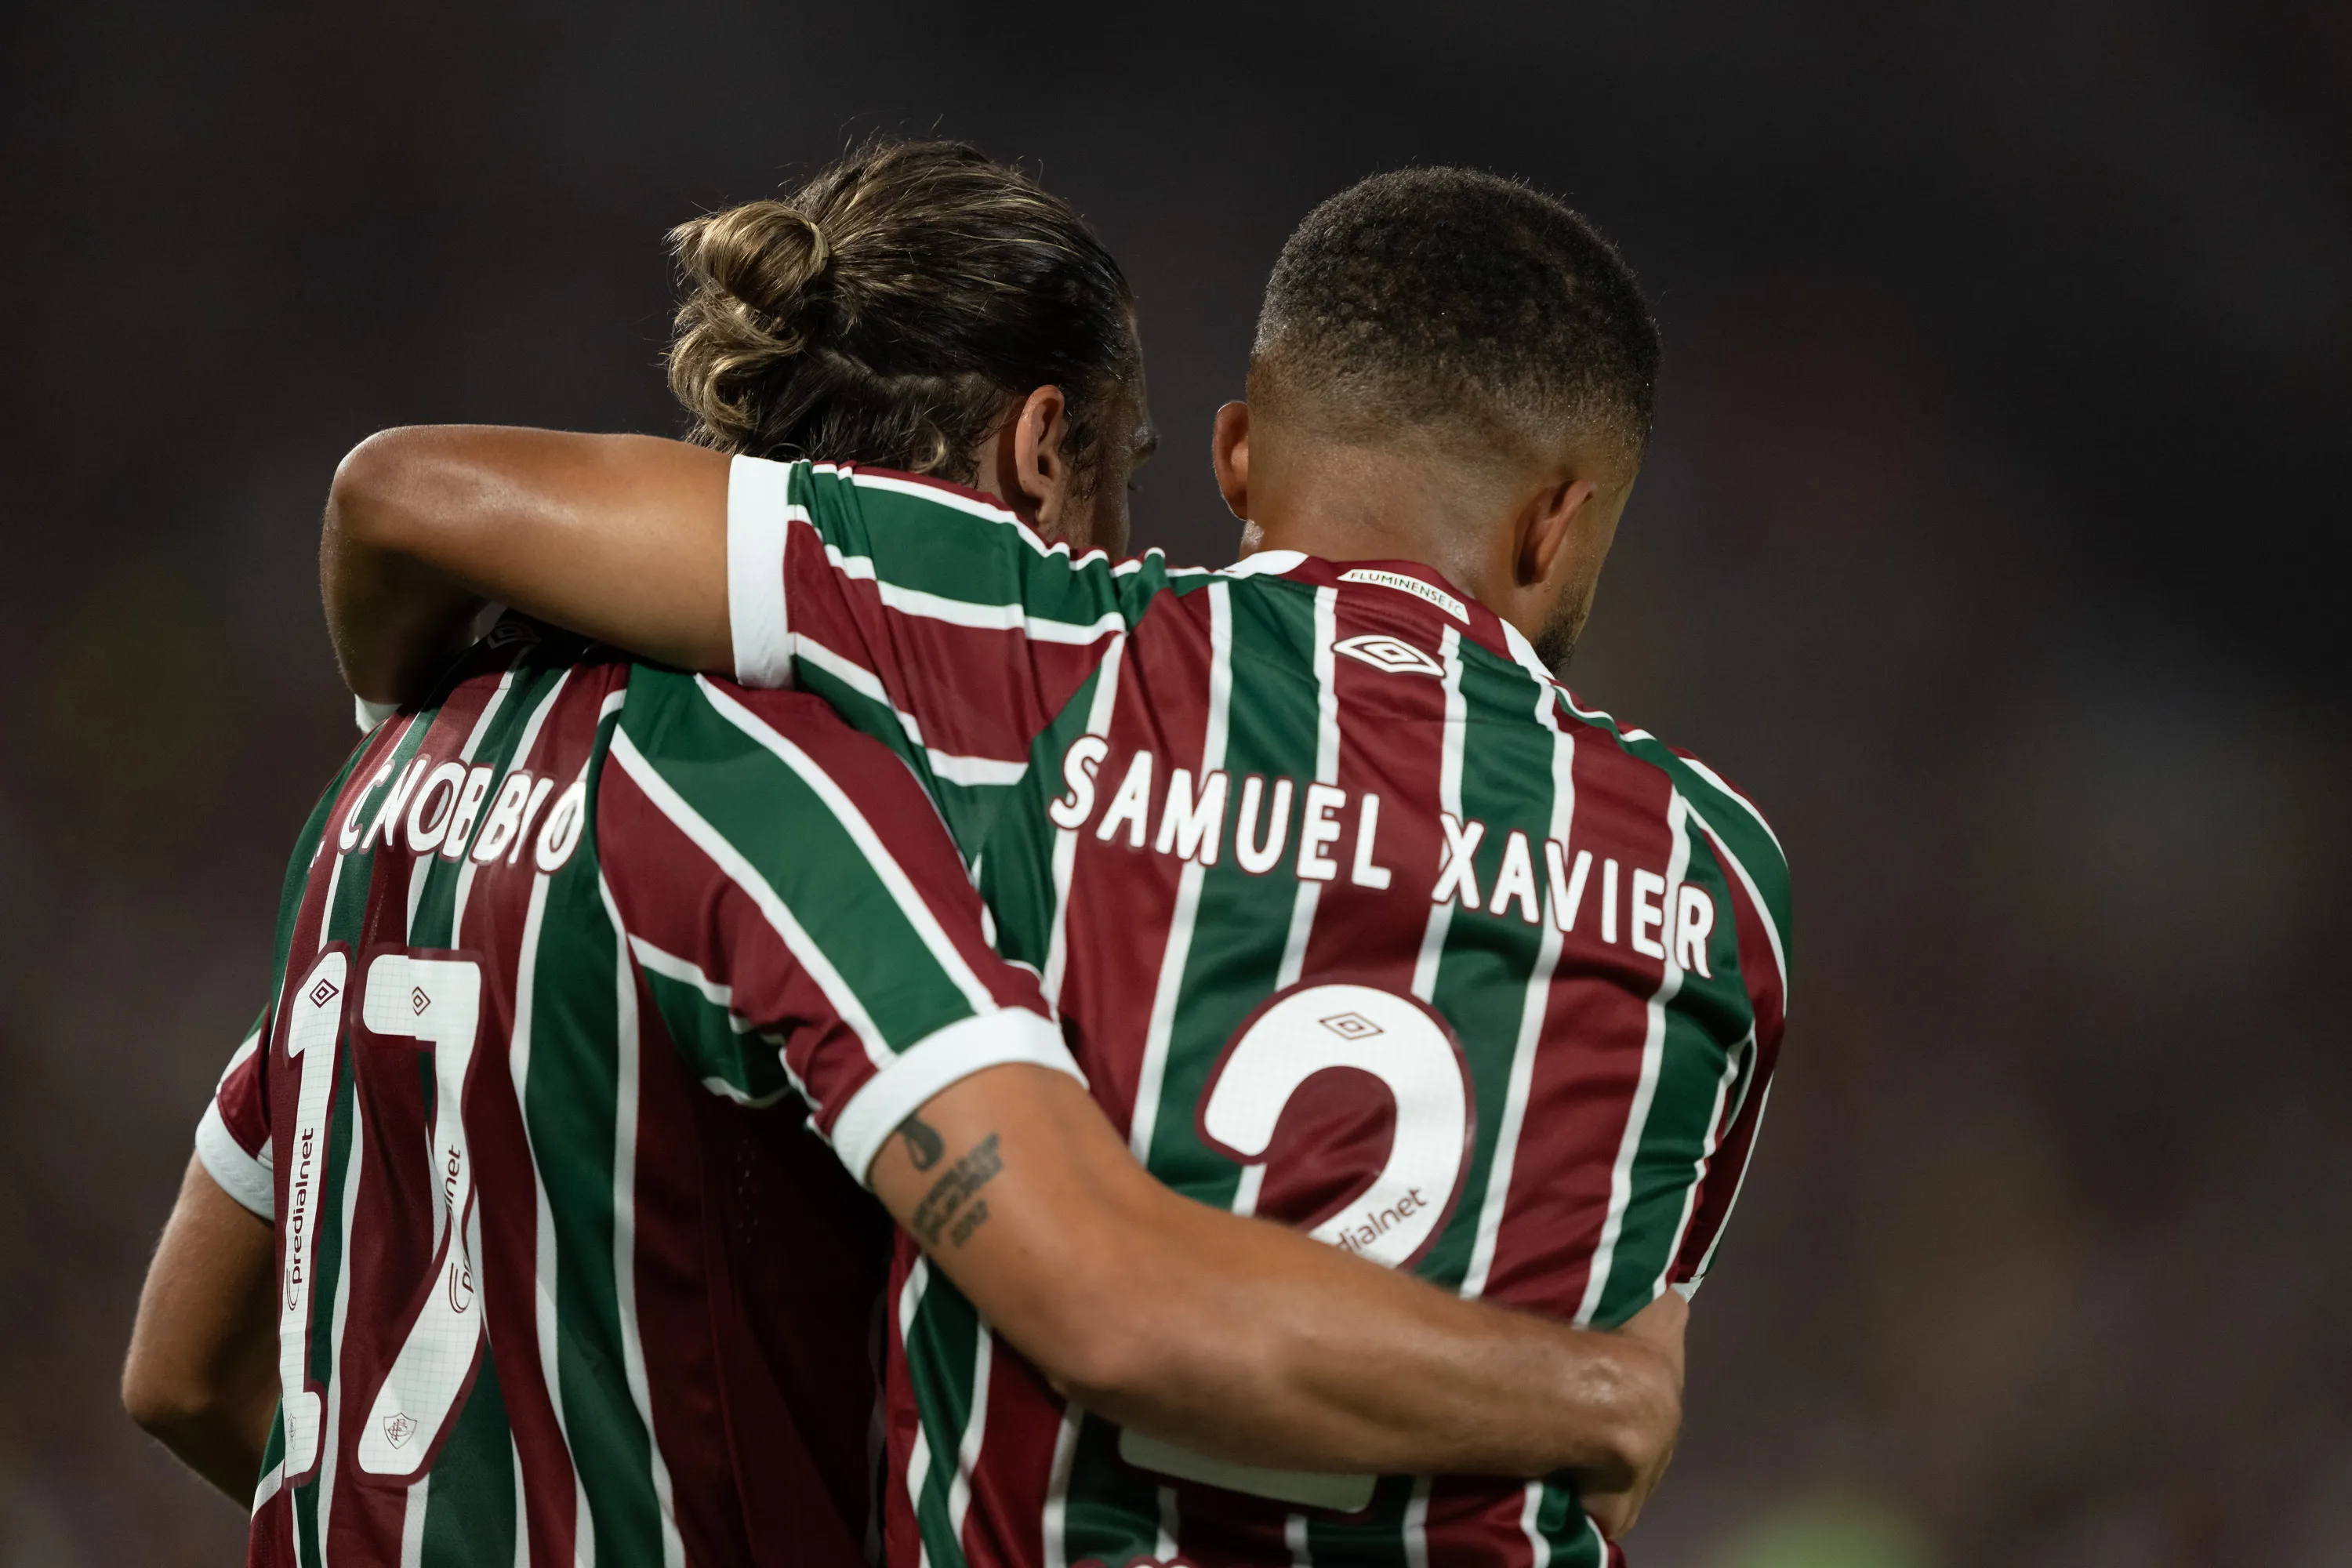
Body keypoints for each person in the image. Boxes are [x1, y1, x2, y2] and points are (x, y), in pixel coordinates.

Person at [122, 143, 1686, 1568]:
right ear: (1042, 448)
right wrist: (1586, 1393)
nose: (1135, 556)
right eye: (1128, 474)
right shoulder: (798, 799)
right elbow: (1107, 1296)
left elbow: (184, 1370)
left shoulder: (399, 771)